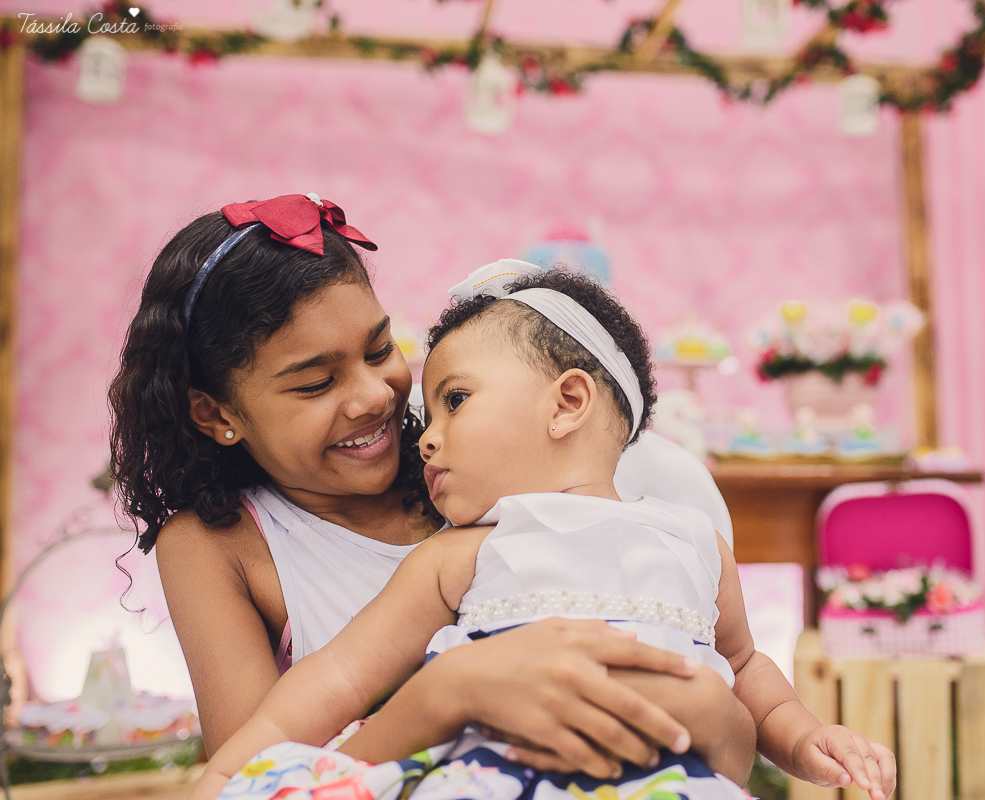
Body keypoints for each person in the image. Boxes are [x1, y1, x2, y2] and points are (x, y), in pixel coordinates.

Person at [109, 194, 755, 783]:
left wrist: (723, 720)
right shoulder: (220, 545)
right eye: (313, 383)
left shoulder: (493, 483)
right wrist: (450, 690)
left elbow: (723, 701)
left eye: (379, 348)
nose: (373, 396)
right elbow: (255, 777)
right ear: (216, 414)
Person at [191, 262, 897, 800]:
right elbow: (339, 675)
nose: (426, 439)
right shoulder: (463, 553)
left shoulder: (691, 538)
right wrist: (228, 768)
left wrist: (805, 740)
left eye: (455, 402)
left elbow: (743, 668)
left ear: (567, 403)